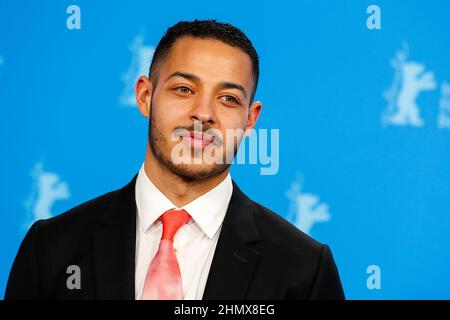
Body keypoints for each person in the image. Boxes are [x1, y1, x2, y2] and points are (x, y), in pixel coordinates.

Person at [5, 19, 345, 300]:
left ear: (250, 119)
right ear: (144, 95)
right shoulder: (49, 249)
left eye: (227, 98)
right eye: (184, 89)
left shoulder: (304, 269)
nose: (203, 114)